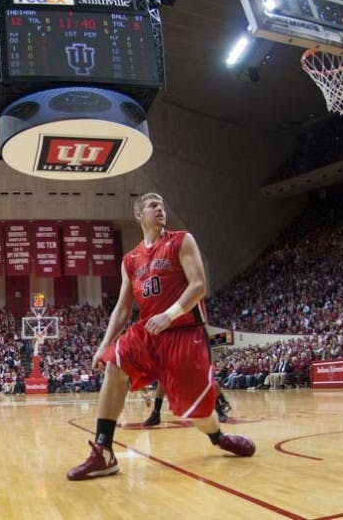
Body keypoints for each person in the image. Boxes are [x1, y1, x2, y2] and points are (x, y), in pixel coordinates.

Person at [67, 193, 254, 481]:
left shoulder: (181, 240)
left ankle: (218, 437)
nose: (160, 209)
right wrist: (104, 344)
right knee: (114, 365)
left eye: (163, 206)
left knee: (197, 412)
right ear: (139, 215)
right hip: (148, 331)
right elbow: (122, 308)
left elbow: (199, 285)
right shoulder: (130, 260)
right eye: (153, 206)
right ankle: (103, 452)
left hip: (183, 331)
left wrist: (171, 313)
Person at [143, 383, 232, 426]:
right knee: (162, 379)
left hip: (193, 353)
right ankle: (156, 414)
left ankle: (220, 408)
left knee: (205, 381)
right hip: (174, 353)